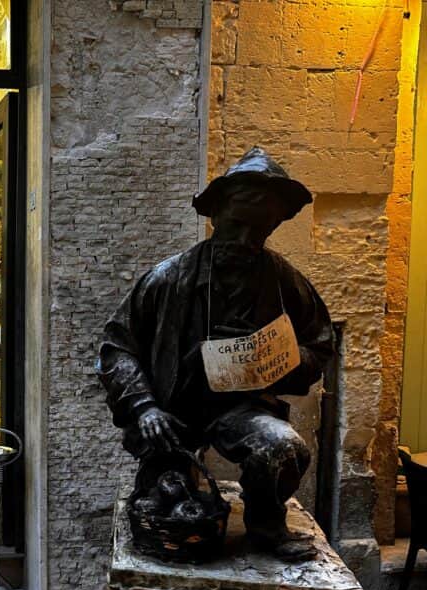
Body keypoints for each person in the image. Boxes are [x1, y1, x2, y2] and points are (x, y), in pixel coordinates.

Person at [98, 148, 333, 561]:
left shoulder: (282, 280)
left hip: (240, 407)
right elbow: (117, 347)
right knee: (168, 500)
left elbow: (320, 343)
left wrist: (287, 361)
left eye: (257, 232)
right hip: (173, 409)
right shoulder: (167, 279)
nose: (244, 242)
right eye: (236, 226)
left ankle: (264, 526)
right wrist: (144, 408)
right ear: (216, 217)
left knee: (285, 448)